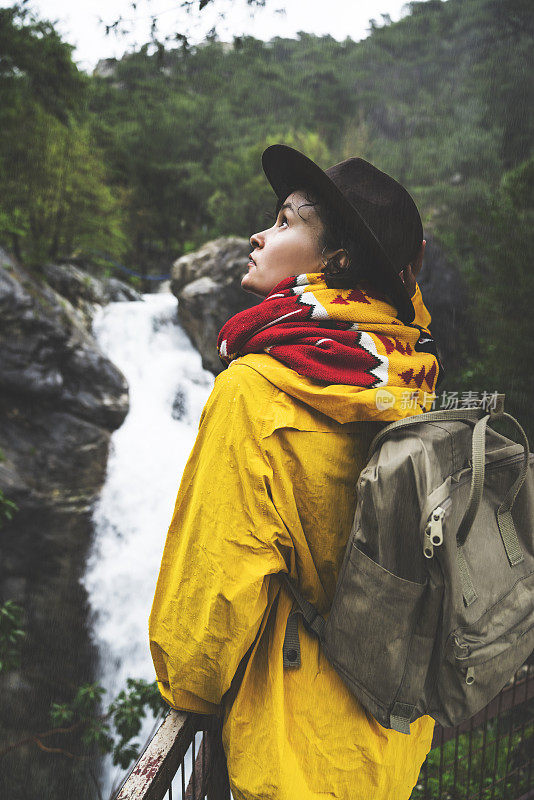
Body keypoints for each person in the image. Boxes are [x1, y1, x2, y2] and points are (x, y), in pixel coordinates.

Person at [149, 144, 443, 800]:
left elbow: (202, 637)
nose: (260, 233)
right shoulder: (409, 380)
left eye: (286, 221)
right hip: (388, 745)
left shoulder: (257, 391)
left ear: (336, 260)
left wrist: (182, 688)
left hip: (290, 756)